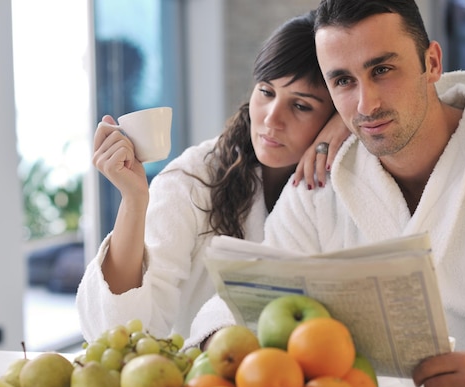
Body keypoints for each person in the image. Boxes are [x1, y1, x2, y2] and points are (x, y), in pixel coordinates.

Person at [190, 1, 465, 387]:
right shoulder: (320, 180)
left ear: (432, 62)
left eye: (382, 70)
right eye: (343, 81)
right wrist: (222, 346)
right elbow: (247, 295)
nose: (366, 104)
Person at [76, 10, 348, 343]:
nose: (272, 119)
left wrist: (350, 122)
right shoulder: (194, 179)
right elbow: (122, 330)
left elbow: (425, 91)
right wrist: (134, 200)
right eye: (266, 91)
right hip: (201, 380)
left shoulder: (349, 178)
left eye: (301, 106)